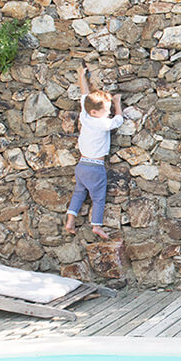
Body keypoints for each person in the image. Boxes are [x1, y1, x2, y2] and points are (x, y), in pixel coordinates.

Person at [64, 63, 124, 240]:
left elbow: (84, 94)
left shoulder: (85, 115)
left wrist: (81, 75)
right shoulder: (102, 123)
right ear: (94, 111)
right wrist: (117, 102)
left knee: (79, 192)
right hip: (95, 168)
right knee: (98, 198)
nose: (109, 114)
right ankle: (96, 226)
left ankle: (70, 219)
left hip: (82, 166)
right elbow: (118, 120)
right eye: (106, 111)